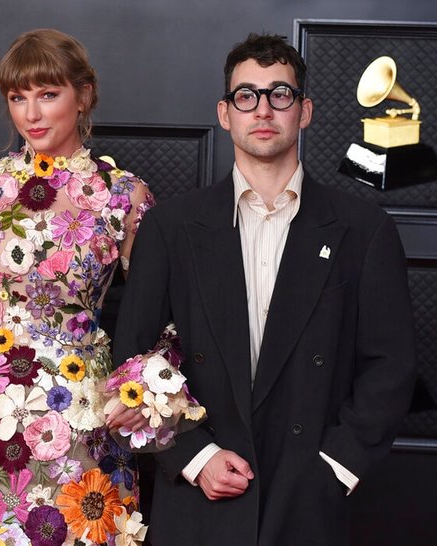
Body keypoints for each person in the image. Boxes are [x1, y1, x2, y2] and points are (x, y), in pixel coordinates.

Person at [113, 32, 416, 545]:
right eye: (246, 96)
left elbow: (391, 364)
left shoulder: (363, 229)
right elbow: (131, 355)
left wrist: (336, 467)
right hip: (199, 497)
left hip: (306, 494)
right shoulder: (172, 226)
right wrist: (193, 456)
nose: (263, 109)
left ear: (305, 111)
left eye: (281, 94)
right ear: (225, 113)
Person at [0, 29, 157, 545]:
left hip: (85, 415)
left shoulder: (123, 195)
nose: (32, 113)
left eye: (48, 94)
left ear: (84, 95)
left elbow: (169, 309)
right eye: (18, 97)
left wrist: (148, 385)